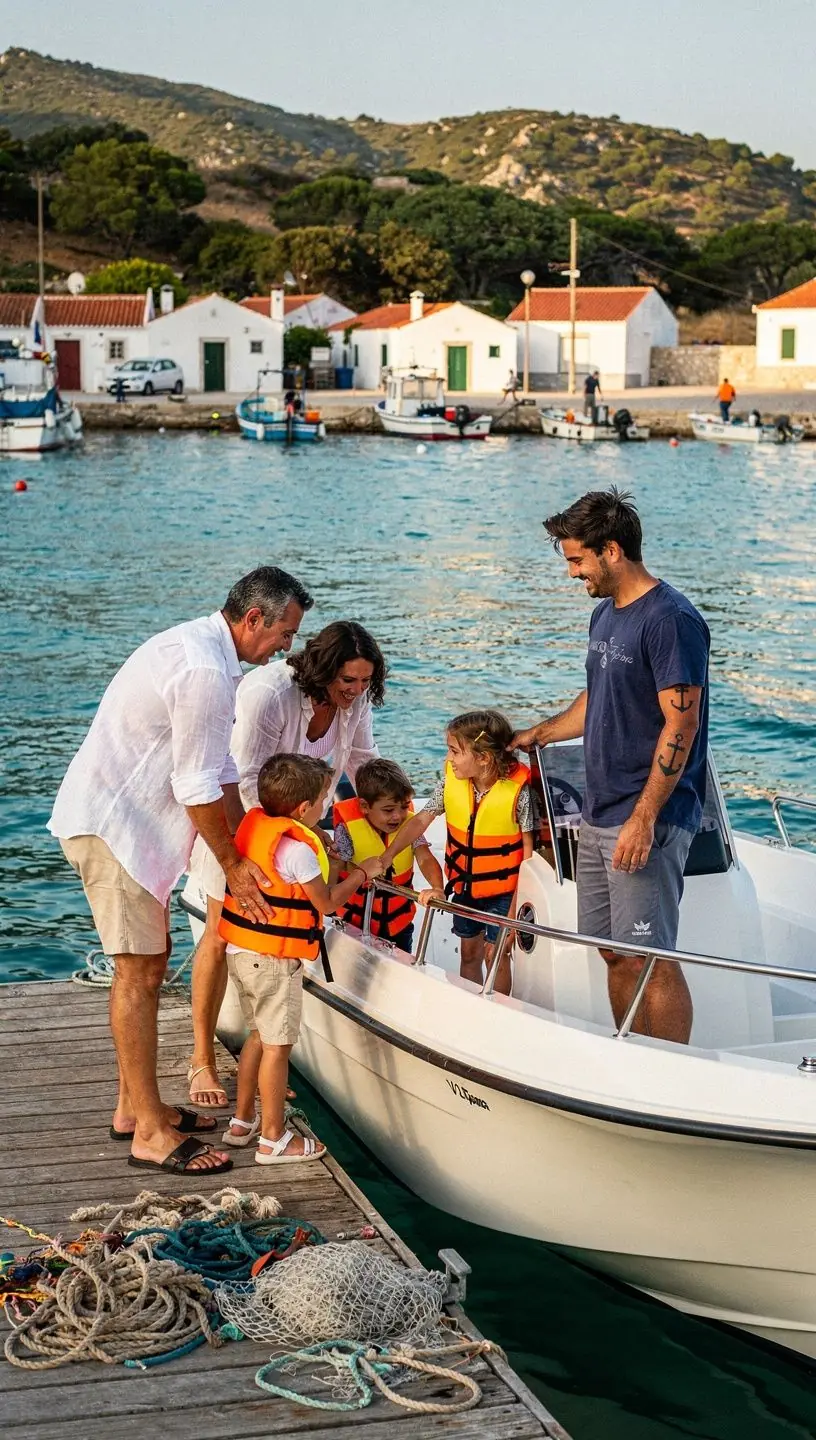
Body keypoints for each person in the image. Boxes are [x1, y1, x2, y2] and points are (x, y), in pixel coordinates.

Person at [48, 566, 312, 1173]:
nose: (285, 648)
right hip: (116, 830)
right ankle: (148, 1135)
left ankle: (135, 1109)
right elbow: (195, 786)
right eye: (284, 634)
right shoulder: (202, 670)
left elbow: (220, 771)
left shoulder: (210, 658)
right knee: (138, 975)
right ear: (253, 620)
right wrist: (235, 867)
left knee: (151, 962)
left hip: (133, 833)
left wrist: (258, 844)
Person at [512, 487, 710, 1045]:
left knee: (650, 956)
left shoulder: (671, 620)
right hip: (598, 813)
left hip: (644, 815)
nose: (574, 572)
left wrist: (645, 817)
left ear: (612, 551)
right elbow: (599, 695)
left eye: (578, 559)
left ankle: (667, 1072)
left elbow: (682, 726)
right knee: (613, 951)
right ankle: (632, 1054)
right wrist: (538, 734)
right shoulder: (605, 616)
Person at [187, 620, 386, 1108]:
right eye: (348, 682)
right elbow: (243, 776)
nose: (356, 692)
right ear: (322, 671)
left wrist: (391, 810)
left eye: (365, 682)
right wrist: (274, 845)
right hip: (240, 833)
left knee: (274, 952)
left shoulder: (354, 702)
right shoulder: (269, 694)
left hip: (299, 840)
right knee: (219, 934)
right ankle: (202, 1061)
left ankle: (264, 1072)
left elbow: (363, 760)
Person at [218, 754, 383, 1162]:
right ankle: (273, 1138)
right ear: (304, 809)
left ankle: (243, 1122)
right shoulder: (298, 852)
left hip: (241, 952)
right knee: (278, 1046)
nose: (327, 805)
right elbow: (325, 904)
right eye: (325, 799)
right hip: (274, 962)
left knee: (257, 1036)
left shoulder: (255, 829)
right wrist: (362, 873)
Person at [379, 711, 534, 996]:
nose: (449, 759)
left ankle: (497, 1014)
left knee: (496, 957)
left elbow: (527, 854)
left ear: (484, 758)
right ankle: (470, 1008)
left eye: (454, 751)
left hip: (504, 894)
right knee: (470, 954)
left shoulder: (519, 793)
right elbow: (421, 820)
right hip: (464, 886)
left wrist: (515, 911)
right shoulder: (451, 783)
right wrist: (389, 854)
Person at [333, 758, 444, 953]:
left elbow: (425, 857)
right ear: (365, 806)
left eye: (403, 807)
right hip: (355, 923)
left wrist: (437, 887)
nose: (398, 816)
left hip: (399, 926)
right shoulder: (348, 829)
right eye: (388, 810)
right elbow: (338, 865)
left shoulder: (410, 825)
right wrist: (363, 872)